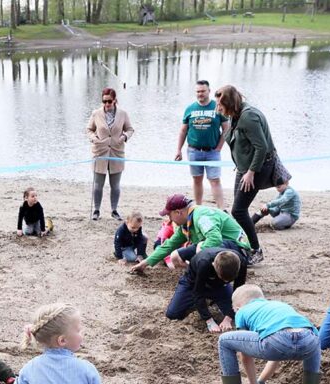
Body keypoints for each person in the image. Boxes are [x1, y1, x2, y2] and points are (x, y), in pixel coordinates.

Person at [214, 284, 321, 384]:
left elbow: (245, 356)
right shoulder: (279, 306)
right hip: (309, 341)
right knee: (315, 338)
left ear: (237, 307)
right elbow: (277, 355)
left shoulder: (242, 311)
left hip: (276, 341)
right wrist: (260, 382)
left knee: (224, 341)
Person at [216, 85, 288, 266]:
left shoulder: (249, 116)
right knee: (239, 210)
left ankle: (256, 250)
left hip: (257, 168)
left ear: (229, 102)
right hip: (244, 168)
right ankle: (244, 246)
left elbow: (262, 147)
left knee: (238, 210)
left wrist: (251, 172)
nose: (218, 108)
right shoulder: (236, 114)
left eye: (220, 105)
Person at [131, 194, 249, 274]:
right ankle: (197, 276)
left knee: (201, 248)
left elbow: (215, 238)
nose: (169, 220)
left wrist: (197, 259)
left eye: (169, 215)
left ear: (178, 212)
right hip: (221, 247)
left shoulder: (201, 216)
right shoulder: (185, 223)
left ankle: (207, 278)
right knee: (175, 256)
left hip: (238, 250)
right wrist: (145, 263)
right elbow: (168, 245)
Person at [165, 246, 246, 333]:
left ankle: (212, 301)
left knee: (238, 313)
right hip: (193, 283)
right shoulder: (204, 263)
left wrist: (228, 318)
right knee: (173, 314)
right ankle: (198, 303)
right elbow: (197, 292)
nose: (226, 281)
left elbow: (238, 292)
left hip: (220, 287)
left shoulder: (241, 263)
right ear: (214, 265)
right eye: (222, 278)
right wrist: (209, 320)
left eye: (229, 280)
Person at [174, 79, 229, 207]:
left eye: (203, 91)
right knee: (197, 179)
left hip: (212, 151)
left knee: (215, 180)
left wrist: (219, 147)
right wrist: (178, 150)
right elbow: (183, 130)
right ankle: (198, 206)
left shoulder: (217, 106)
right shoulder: (190, 108)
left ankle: (221, 209)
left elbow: (227, 128)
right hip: (194, 151)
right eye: (198, 91)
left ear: (209, 91)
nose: (200, 94)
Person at [86, 88, 134, 221]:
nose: (106, 104)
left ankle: (114, 210)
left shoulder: (123, 114)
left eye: (109, 101)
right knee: (98, 185)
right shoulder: (96, 113)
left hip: (116, 153)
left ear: (115, 100)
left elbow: (130, 129)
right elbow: (89, 129)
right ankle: (96, 210)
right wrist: (94, 138)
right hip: (100, 153)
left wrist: (124, 137)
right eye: (104, 101)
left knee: (115, 185)